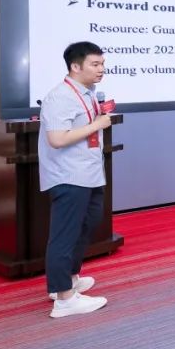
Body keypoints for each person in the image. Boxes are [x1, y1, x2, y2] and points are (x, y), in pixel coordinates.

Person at [39, 41, 113, 318]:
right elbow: (57, 139)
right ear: (75, 66)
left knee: (86, 226)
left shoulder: (87, 93)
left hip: (88, 173)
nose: (101, 69)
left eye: (102, 64)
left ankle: (68, 280)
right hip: (69, 175)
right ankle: (64, 300)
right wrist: (96, 124)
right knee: (65, 235)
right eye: (95, 64)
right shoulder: (60, 97)